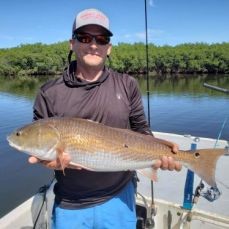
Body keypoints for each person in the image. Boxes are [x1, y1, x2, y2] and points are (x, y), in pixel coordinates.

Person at [29, 8, 181, 229]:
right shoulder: (49, 92)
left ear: (108, 48)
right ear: (72, 43)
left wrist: (162, 151)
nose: (93, 45)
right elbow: (41, 145)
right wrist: (45, 161)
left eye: (101, 39)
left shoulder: (127, 84)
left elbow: (142, 131)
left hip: (119, 197)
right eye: (85, 37)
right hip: (70, 203)